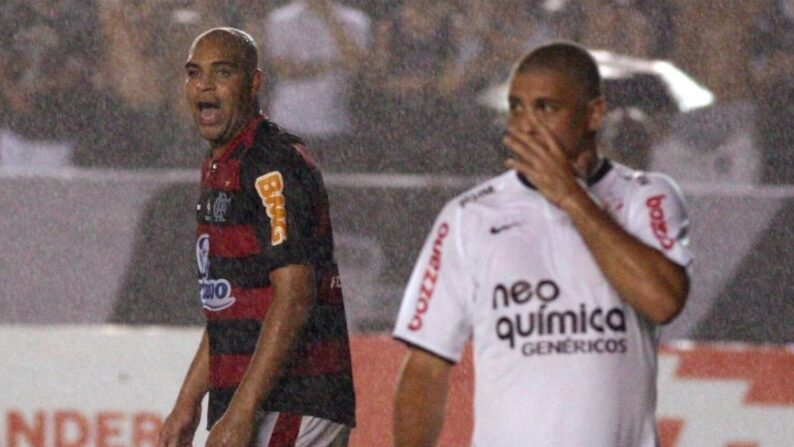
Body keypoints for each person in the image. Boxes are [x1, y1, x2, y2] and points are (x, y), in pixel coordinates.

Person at [392, 42, 692, 447]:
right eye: (516, 107)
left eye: (545, 108)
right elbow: (425, 367)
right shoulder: (469, 217)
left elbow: (663, 301)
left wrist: (570, 196)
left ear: (594, 114)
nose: (525, 124)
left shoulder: (646, 196)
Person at [158, 28, 355, 447]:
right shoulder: (222, 164)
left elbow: (295, 294)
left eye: (222, 72)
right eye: (194, 74)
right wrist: (188, 403)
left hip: (294, 399)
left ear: (255, 83)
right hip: (257, 398)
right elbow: (230, 304)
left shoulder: (272, 163)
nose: (204, 86)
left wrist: (244, 409)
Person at [259, 0, 370, 170]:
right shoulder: (281, 19)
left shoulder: (356, 21)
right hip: (288, 121)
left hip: (335, 121)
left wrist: (331, 19)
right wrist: (331, 65)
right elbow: (284, 69)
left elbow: (355, 64)